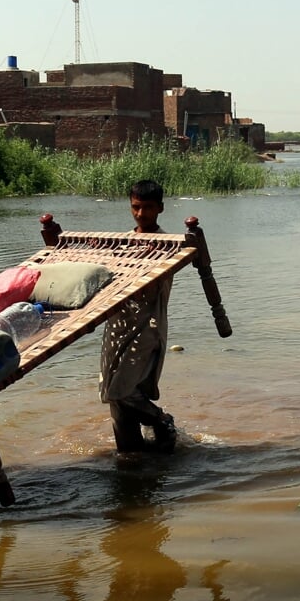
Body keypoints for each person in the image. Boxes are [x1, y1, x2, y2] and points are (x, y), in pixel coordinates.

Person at [100, 179, 177, 453]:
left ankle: (161, 420)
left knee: (119, 391)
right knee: (116, 401)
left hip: (147, 327)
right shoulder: (122, 244)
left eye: (148, 208)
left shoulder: (169, 247)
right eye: (136, 207)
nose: (141, 214)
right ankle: (131, 458)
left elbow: (150, 282)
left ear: (160, 209)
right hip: (117, 327)